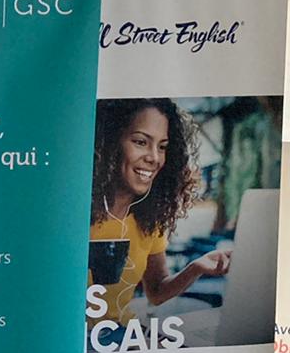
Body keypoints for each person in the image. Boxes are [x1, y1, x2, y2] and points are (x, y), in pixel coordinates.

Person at [87, 98, 230, 331]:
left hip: (124, 337)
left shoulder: (149, 220)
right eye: (141, 142)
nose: (154, 157)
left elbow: (156, 291)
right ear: (108, 143)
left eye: (162, 146)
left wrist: (196, 267)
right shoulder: (74, 211)